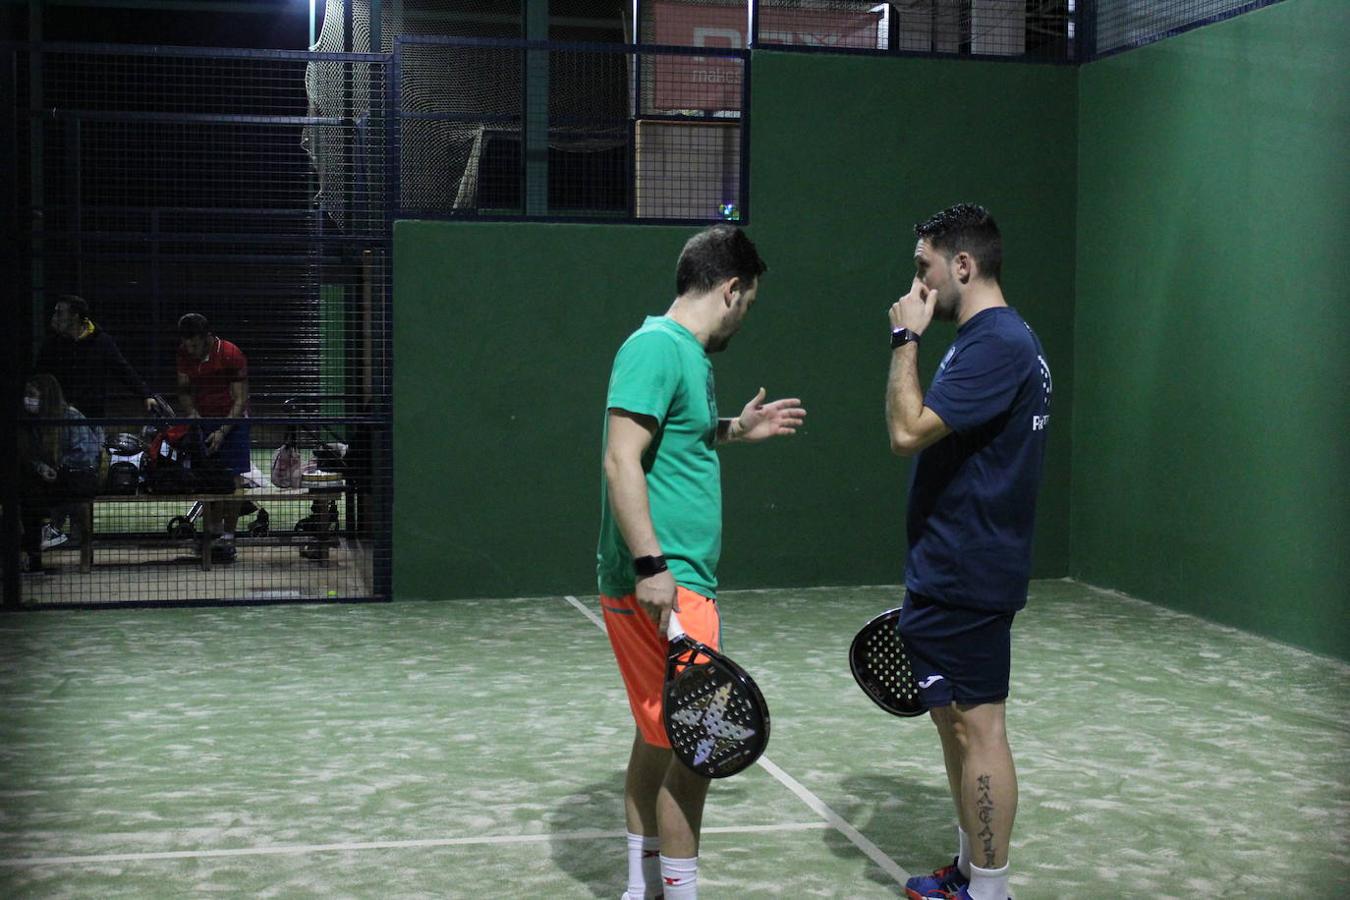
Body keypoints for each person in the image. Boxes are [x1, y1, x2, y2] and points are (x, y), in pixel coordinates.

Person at [597, 225, 806, 900]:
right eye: (749, 302)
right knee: (698, 749)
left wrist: (738, 430)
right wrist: (653, 564)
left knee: (659, 738)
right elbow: (620, 457)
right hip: (669, 584)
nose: (746, 316)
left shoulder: (685, 355)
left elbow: (674, 437)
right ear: (731, 288)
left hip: (675, 581)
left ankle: (642, 889)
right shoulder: (656, 347)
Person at [884, 204, 1051, 900]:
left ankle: (989, 890)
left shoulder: (995, 343)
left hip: (969, 571)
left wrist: (903, 337)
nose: (916, 284)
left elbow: (906, 430)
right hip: (953, 566)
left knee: (979, 729)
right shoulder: (993, 338)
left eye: (924, 267)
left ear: (963, 265)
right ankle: (969, 871)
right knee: (955, 725)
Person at [175, 313, 251, 563]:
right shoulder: (184, 353)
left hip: (234, 421)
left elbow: (240, 399)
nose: (191, 349)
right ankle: (212, 533)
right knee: (208, 481)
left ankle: (229, 535)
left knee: (234, 481)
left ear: (207, 338)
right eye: (187, 344)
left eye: (195, 344)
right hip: (203, 420)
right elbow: (184, 391)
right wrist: (194, 417)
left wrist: (222, 431)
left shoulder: (230, 353)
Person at [34, 295, 159, 435]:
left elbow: (123, 370)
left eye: (60, 312)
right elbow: (39, 376)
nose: (55, 317)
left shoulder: (101, 342)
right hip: (59, 418)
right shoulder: (52, 344)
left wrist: (145, 395)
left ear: (75, 316)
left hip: (91, 418)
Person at [18, 373, 103, 573]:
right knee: (28, 492)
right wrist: (43, 468)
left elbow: (85, 453)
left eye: (32, 394)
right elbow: (31, 454)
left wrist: (59, 467)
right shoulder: (34, 422)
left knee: (77, 495)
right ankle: (37, 545)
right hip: (49, 477)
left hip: (76, 474)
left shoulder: (71, 416)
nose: (28, 399)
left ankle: (59, 533)